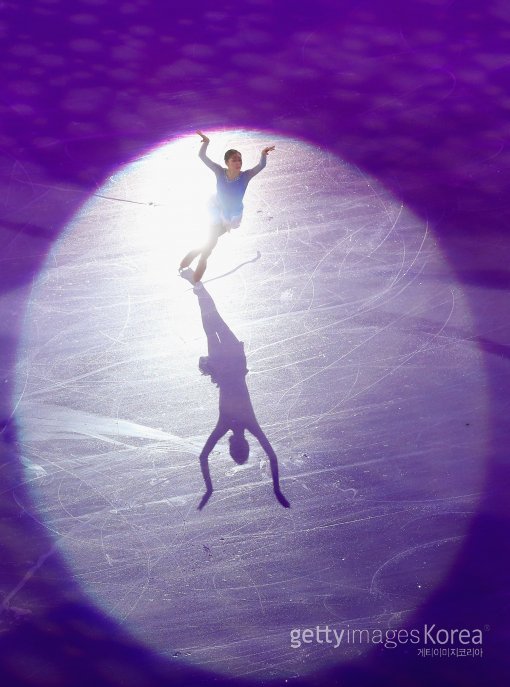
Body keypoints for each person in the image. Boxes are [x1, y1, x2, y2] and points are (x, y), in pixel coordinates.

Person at [179, 271, 290, 510]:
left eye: (237, 449)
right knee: (212, 322)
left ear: (239, 446)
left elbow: (270, 455)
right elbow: (204, 457)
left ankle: (197, 285)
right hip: (226, 363)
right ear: (237, 446)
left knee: (212, 321)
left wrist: (210, 489)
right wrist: (276, 489)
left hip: (227, 363)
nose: (237, 446)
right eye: (238, 448)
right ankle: (197, 285)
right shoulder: (241, 423)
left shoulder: (235, 424)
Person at [179, 130, 275, 283]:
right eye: (234, 160)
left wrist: (263, 154)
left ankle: (192, 258)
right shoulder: (219, 171)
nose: (238, 163)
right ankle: (198, 264)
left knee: (211, 240)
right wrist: (206, 143)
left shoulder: (246, 176)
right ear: (227, 163)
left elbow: (261, 166)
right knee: (211, 242)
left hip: (231, 217)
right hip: (215, 209)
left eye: (240, 160)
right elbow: (202, 157)